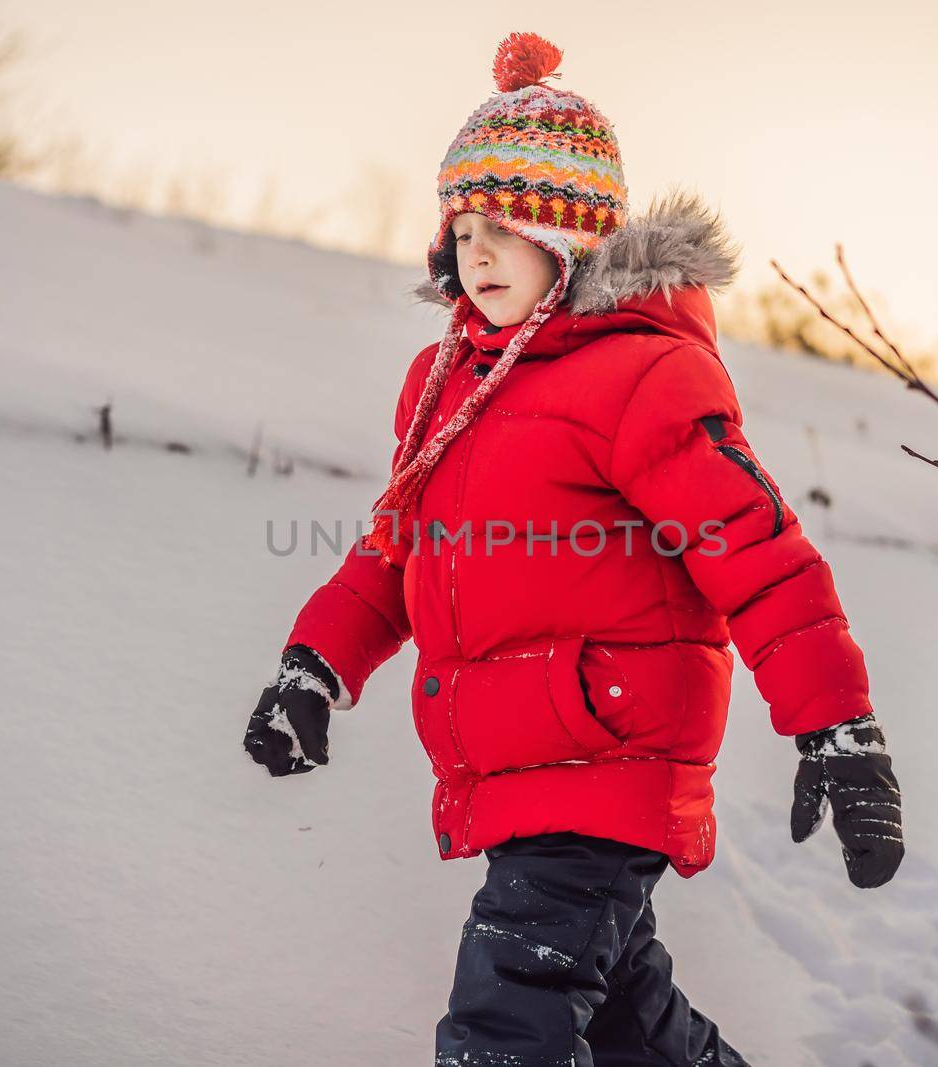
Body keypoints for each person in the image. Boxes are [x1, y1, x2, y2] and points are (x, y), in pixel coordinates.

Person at [244, 31, 904, 1067]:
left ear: (570, 235)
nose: (478, 252)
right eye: (463, 227)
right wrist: (314, 665)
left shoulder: (640, 373)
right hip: (523, 766)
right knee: (633, 1024)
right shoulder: (443, 384)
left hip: (608, 754)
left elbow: (759, 552)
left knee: (506, 1026)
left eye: (506, 225)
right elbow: (393, 552)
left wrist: (838, 725)